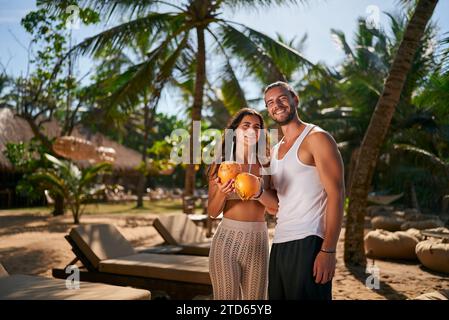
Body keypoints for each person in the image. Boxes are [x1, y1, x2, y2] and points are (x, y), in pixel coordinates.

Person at [264, 81, 345, 300]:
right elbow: (274, 206)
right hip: (280, 244)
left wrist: (328, 250)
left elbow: (337, 195)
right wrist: (253, 189)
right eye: (270, 102)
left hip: (310, 241)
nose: (277, 105)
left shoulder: (317, 138)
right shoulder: (274, 151)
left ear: (295, 100)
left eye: (282, 98)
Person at [207, 108, 279, 300]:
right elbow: (213, 212)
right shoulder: (221, 165)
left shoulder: (267, 165)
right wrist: (222, 194)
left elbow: (274, 208)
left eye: (257, 127)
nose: (251, 131)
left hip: (258, 242)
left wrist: (259, 192)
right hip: (226, 241)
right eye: (245, 125)